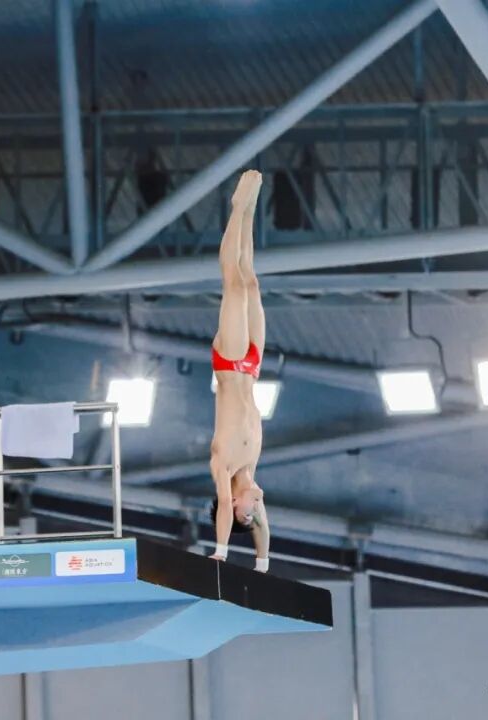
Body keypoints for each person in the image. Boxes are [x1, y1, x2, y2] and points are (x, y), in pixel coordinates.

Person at [209, 170, 270, 573]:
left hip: (230, 363)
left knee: (232, 283)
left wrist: (222, 550)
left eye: (250, 511)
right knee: (250, 283)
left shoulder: (223, 465)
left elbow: (225, 511)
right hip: (252, 365)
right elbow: (263, 527)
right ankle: (249, 212)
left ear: (234, 505)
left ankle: (235, 210)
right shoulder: (251, 466)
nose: (258, 507)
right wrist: (262, 564)